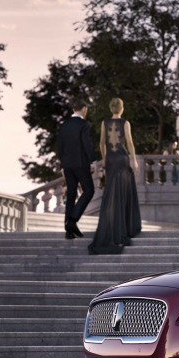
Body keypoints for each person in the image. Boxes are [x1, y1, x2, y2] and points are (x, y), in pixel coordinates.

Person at [88, 97, 142, 255]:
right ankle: (124, 228)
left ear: (111, 109)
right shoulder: (125, 123)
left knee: (111, 194)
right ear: (122, 108)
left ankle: (111, 227)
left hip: (111, 160)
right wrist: (134, 160)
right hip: (122, 159)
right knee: (123, 193)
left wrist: (104, 159)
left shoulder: (104, 123)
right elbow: (130, 143)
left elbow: (101, 143)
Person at [56, 98, 94, 240]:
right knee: (89, 191)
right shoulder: (84, 124)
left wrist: (62, 165)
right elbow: (87, 143)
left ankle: (69, 230)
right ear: (84, 108)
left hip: (67, 165)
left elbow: (60, 146)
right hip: (81, 163)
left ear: (73, 109)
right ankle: (72, 220)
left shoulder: (64, 125)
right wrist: (93, 160)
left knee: (71, 194)